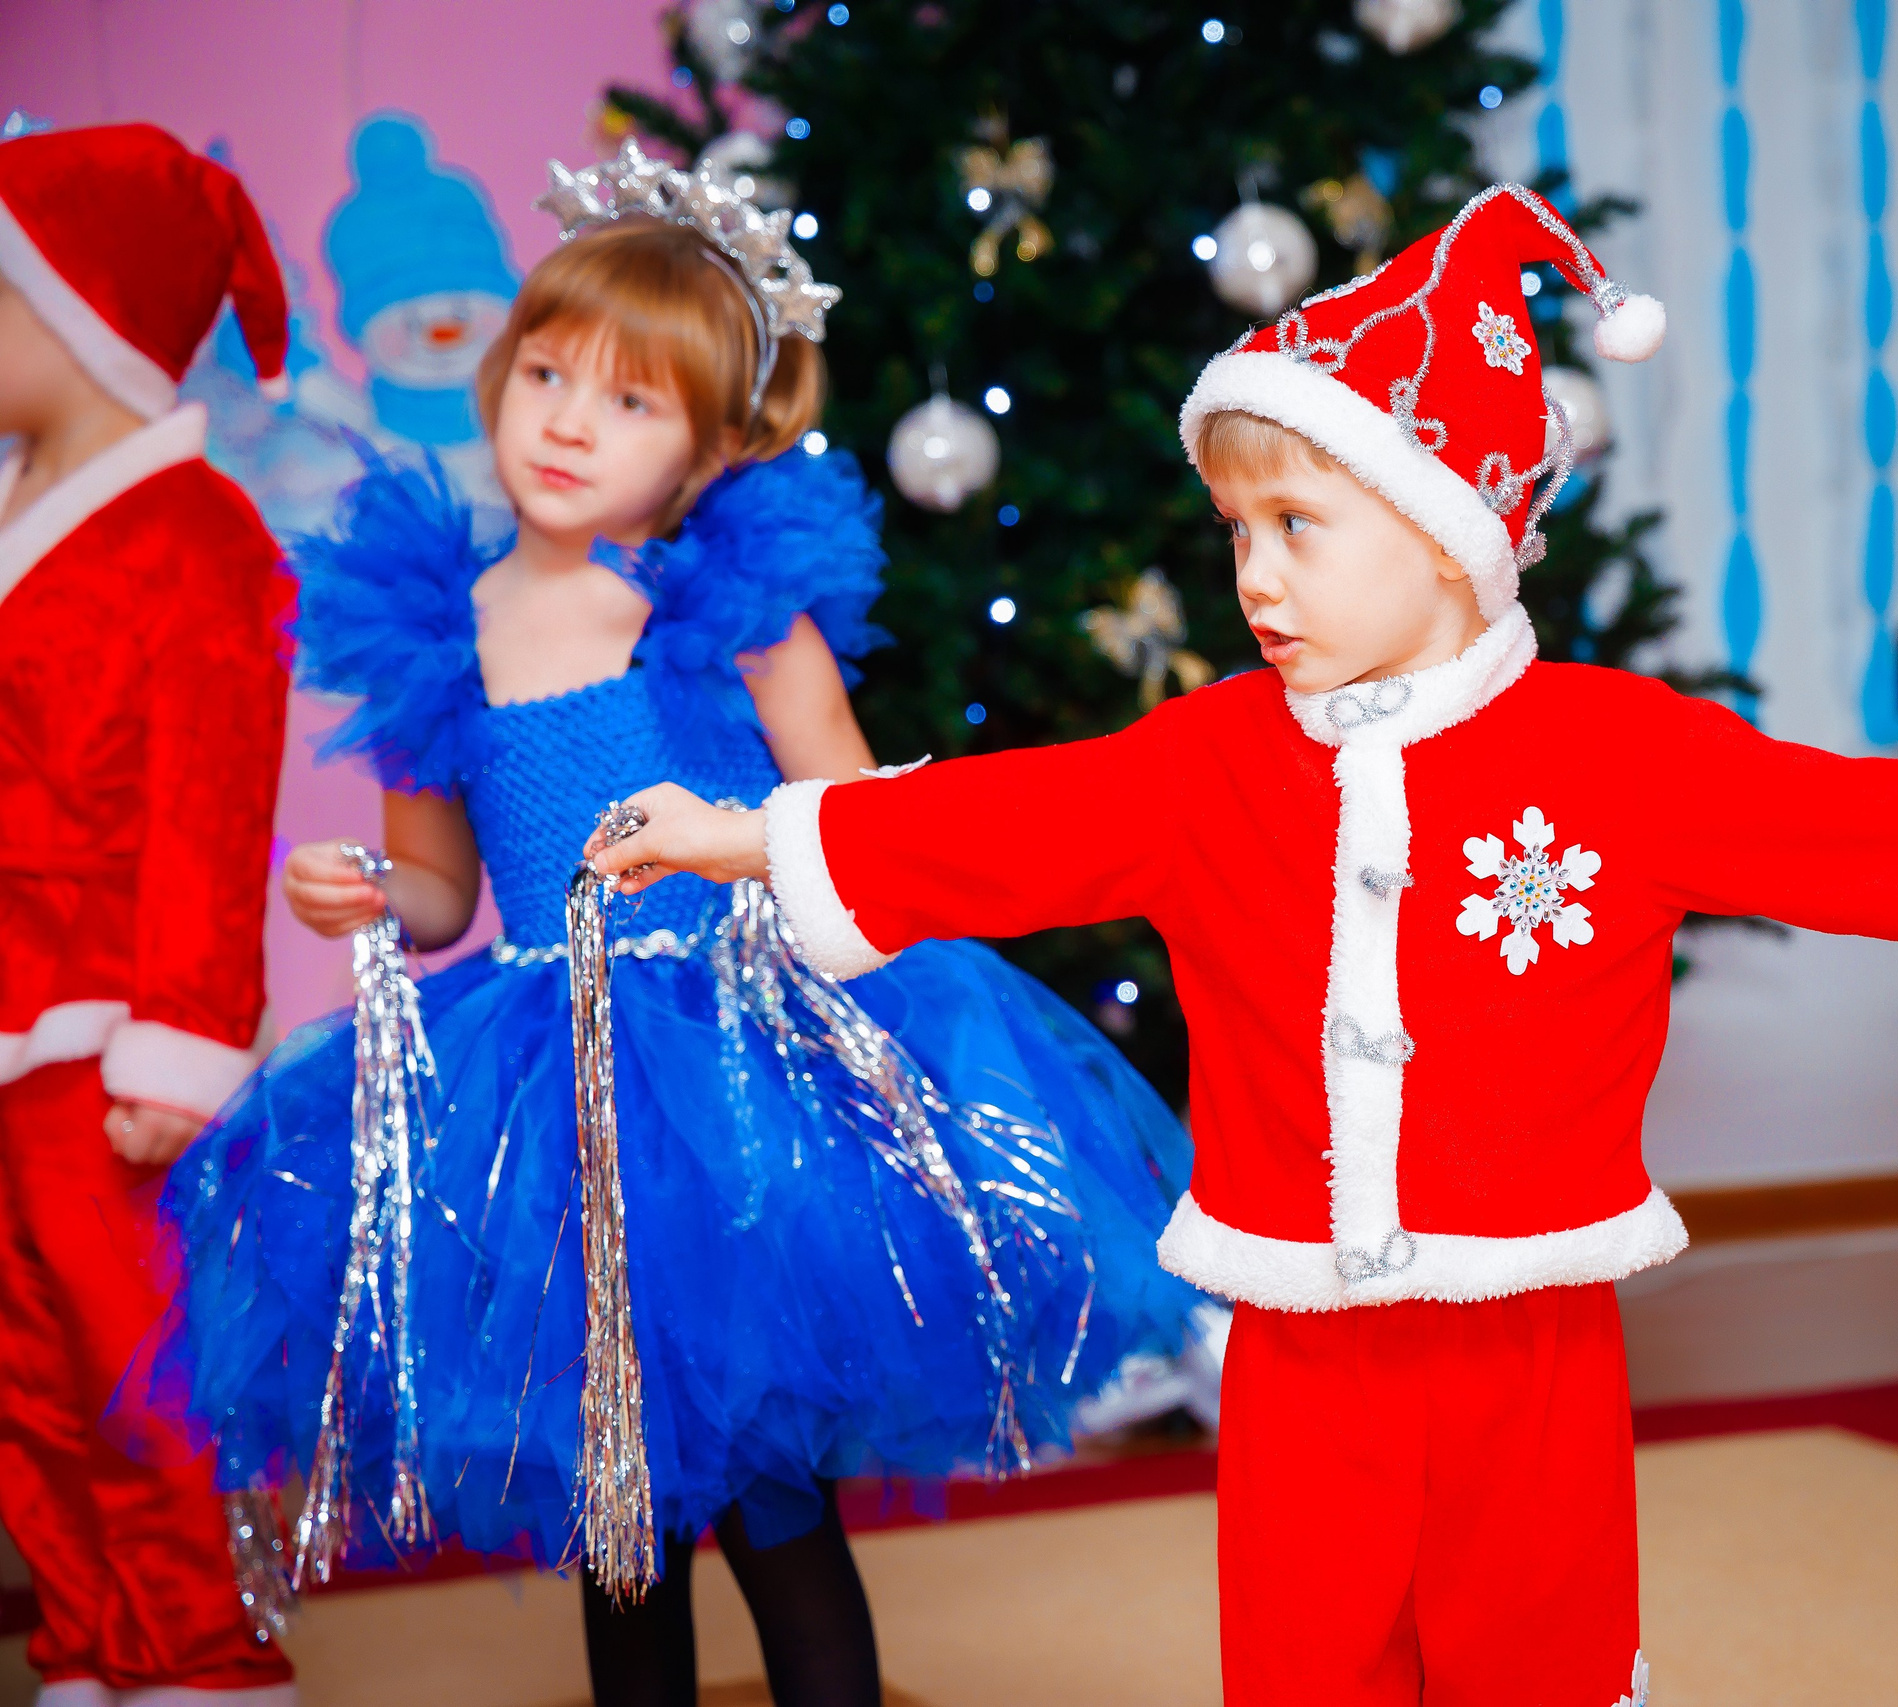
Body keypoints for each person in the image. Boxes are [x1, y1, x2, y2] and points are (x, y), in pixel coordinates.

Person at [589, 185, 1898, 1707]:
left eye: (1298, 529)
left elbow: (1868, 830)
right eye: (1237, 535)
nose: (1254, 578)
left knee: (1536, 1648)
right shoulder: (1206, 758)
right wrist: (740, 834)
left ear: (1447, 537)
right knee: (1304, 1649)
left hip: (1529, 1340)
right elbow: (997, 824)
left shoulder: (1615, 751)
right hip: (1297, 1343)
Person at [138, 145, 1205, 1707]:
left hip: (738, 1072)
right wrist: (371, 893)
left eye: (630, 401)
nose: (568, 420)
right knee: (615, 1506)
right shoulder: (438, 631)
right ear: (497, 379)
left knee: (774, 1498)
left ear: (710, 447)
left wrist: (760, 862)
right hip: (544, 1101)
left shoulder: (720, 604)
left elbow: (854, 812)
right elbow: (441, 889)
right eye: (549, 373)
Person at [0, 123, 301, 1707]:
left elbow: (210, 807)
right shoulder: (22, 531)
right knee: (23, 1386)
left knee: (139, 1380)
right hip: (8, 1025)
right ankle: (86, 1646)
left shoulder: (192, 539)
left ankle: (199, 1654)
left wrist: (180, 1045)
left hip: (109, 1039)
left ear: (89, 320)